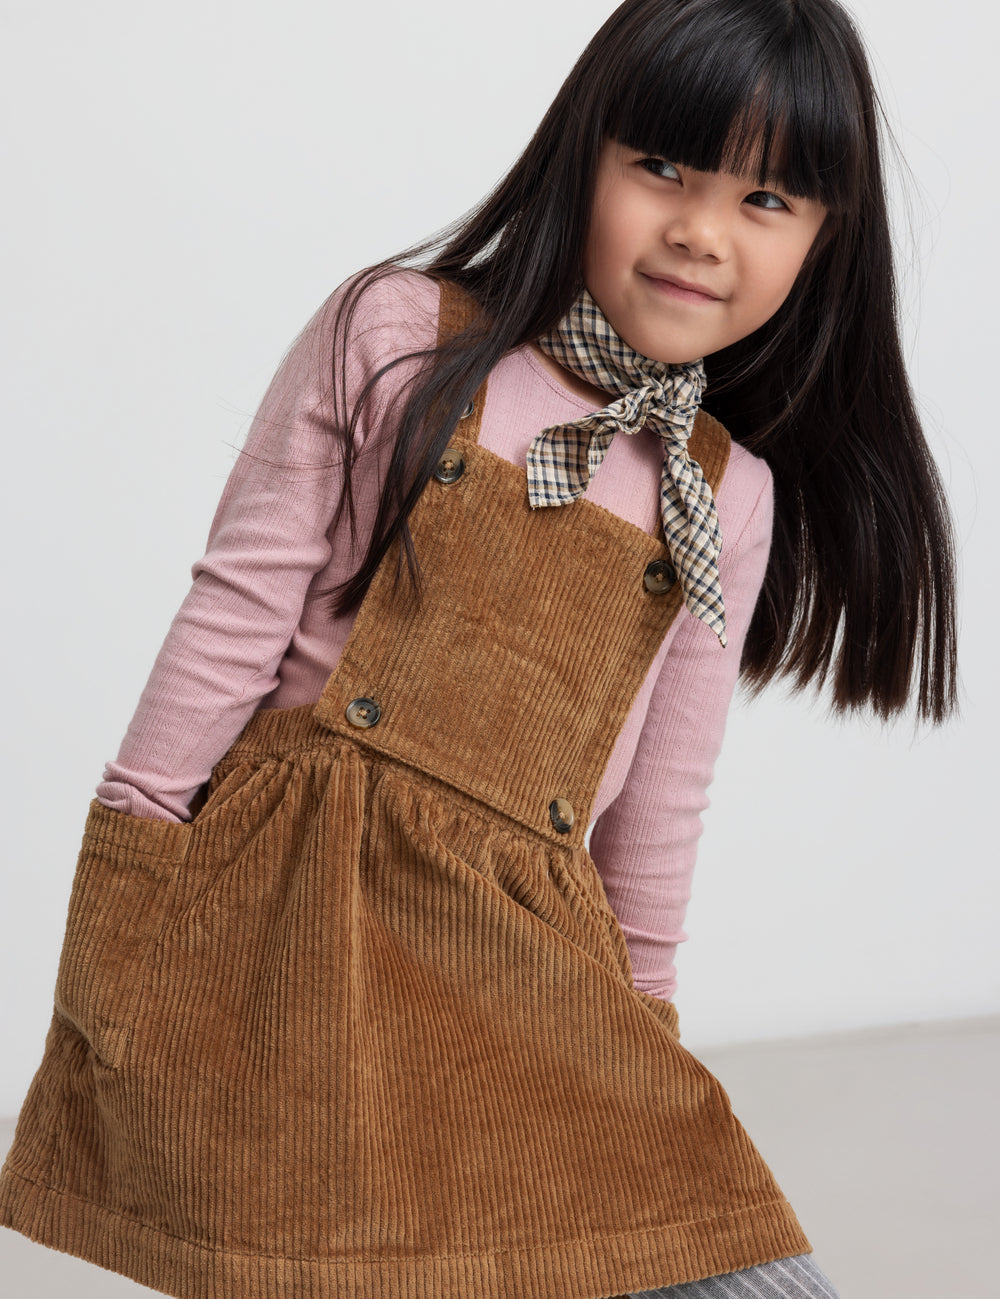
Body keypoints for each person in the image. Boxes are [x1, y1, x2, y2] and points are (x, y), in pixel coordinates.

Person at [0, 1, 957, 1297]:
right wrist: (118, 920)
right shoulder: (402, 339)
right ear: (585, 153)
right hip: (303, 935)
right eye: (663, 166)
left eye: (768, 197)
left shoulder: (725, 490)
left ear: (825, 241)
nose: (700, 229)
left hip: (522, 973)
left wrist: (641, 1062)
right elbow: (224, 629)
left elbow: (659, 812)